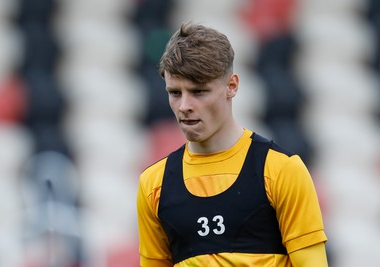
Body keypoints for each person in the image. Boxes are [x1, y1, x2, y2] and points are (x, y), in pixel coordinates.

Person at [136, 22, 328, 267]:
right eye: (175, 93)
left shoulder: (282, 170)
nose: (184, 106)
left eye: (198, 91)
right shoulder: (154, 184)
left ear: (232, 86)